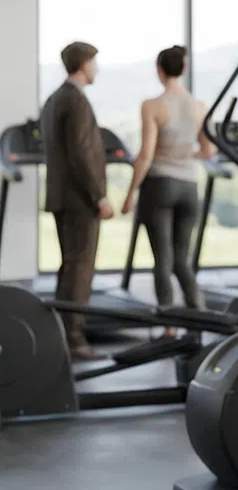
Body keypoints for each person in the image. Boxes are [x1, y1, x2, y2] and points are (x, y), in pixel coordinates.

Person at [122, 45, 214, 314]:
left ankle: (169, 324)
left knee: (162, 259)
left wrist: (130, 194)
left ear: (159, 70)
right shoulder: (199, 107)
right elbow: (209, 151)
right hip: (189, 186)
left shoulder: (152, 106)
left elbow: (146, 155)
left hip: (160, 184)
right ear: (183, 70)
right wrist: (185, 154)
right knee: (181, 259)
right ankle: (199, 311)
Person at [41, 40, 115, 359]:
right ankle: (74, 341)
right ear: (83, 63)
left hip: (62, 197)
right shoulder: (76, 102)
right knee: (80, 269)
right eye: (94, 62)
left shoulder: (54, 99)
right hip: (79, 200)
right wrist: (99, 196)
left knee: (70, 266)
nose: (96, 68)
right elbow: (81, 154)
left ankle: (61, 336)